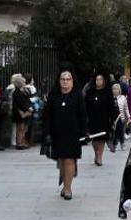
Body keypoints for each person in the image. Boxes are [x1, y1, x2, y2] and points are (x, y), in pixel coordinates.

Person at [43, 71, 88, 200]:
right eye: (63, 79)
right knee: (61, 160)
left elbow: (83, 115)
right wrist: (47, 132)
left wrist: (84, 132)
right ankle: (64, 185)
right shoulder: (53, 95)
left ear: (72, 81)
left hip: (73, 133)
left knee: (69, 159)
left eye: (68, 79)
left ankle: (68, 188)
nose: (65, 82)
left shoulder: (77, 95)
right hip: (57, 133)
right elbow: (48, 115)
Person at [85, 73, 113, 165]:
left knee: (102, 138)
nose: (99, 81)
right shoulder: (90, 92)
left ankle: (99, 156)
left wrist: (111, 119)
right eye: (97, 79)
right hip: (92, 119)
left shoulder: (107, 92)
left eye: (100, 79)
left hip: (103, 119)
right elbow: (85, 106)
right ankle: (96, 153)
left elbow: (111, 106)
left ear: (103, 81)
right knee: (94, 138)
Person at [11, 75, 32, 150]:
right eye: (23, 81)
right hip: (19, 112)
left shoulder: (22, 90)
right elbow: (19, 103)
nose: (24, 82)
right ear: (19, 83)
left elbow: (27, 100)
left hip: (24, 111)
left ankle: (22, 142)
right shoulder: (16, 92)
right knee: (20, 128)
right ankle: (19, 143)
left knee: (24, 128)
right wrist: (27, 108)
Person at [110, 83, 130, 152]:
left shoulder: (123, 98)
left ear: (119, 90)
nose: (115, 90)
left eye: (116, 89)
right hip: (113, 118)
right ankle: (114, 144)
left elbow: (126, 108)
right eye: (113, 89)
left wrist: (128, 116)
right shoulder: (110, 98)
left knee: (120, 131)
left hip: (121, 118)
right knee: (114, 132)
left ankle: (122, 143)